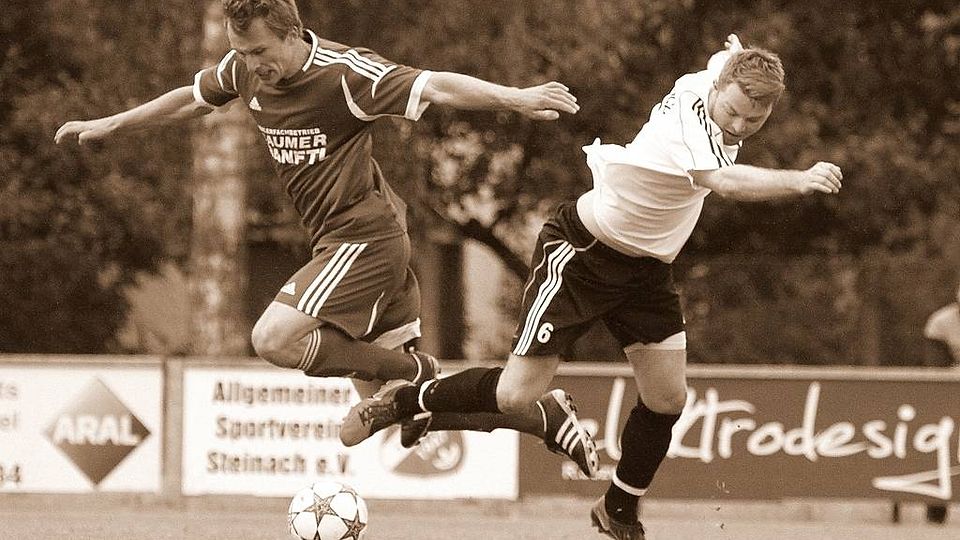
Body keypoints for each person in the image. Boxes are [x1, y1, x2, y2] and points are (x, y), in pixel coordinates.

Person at [340, 34, 842, 539]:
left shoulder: (717, 75)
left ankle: (618, 510)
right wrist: (798, 180)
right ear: (717, 89)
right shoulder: (688, 122)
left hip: (647, 274)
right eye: (732, 112)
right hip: (583, 255)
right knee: (516, 395)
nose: (737, 126)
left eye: (753, 120)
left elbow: (729, 60)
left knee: (668, 398)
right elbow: (728, 183)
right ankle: (403, 402)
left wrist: (737, 50)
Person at [53, 0, 588, 452]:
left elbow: (435, 86)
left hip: (366, 239)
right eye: (241, 52)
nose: (250, 64)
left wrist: (515, 97)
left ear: (292, 34)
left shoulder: (347, 74)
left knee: (272, 339)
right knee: (398, 411)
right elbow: (192, 100)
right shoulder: (243, 69)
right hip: (336, 242)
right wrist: (113, 123)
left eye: (259, 52)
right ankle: (540, 417)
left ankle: (412, 372)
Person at [921, 282, 960, 524]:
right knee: (941, 449)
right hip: (949, 398)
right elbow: (935, 370)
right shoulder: (941, 322)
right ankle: (936, 513)